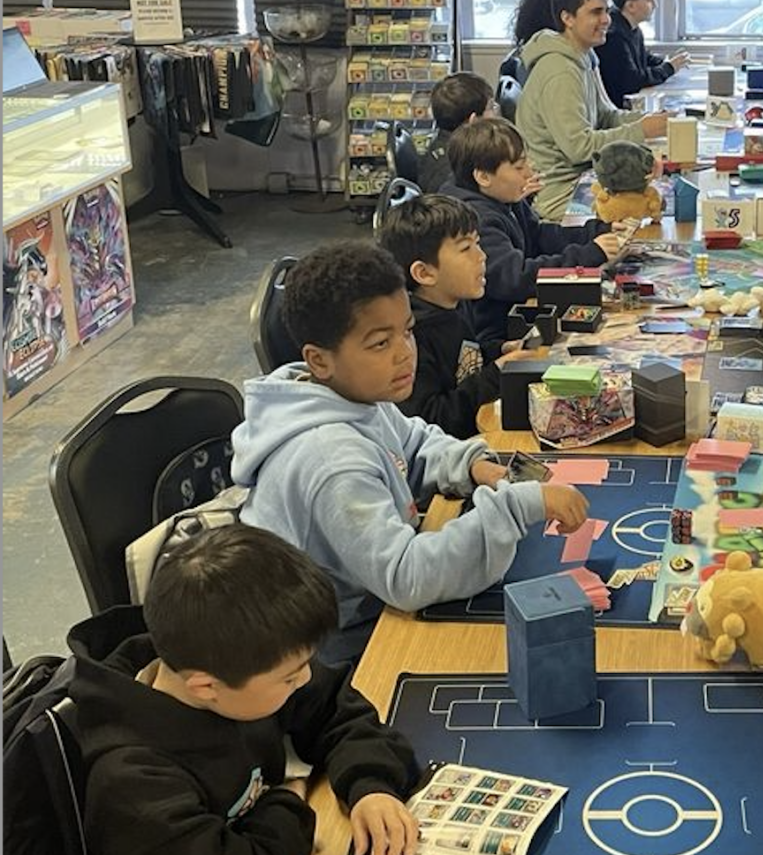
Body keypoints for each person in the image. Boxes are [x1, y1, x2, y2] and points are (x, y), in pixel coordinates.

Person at [231, 242, 590, 662]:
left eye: (407, 331)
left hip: (371, 602)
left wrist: (469, 464)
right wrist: (516, 507)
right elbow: (407, 577)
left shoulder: (353, 392)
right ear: (319, 359)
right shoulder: (331, 461)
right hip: (334, 651)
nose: (405, 353)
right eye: (380, 343)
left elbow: (413, 442)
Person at [68, 523, 423, 854]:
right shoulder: (134, 789)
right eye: (289, 677)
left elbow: (334, 708)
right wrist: (288, 799)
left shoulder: (233, 663)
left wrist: (370, 786)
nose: (304, 680)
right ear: (206, 687)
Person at [443, 117, 621, 346]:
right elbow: (516, 277)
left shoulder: (503, 196)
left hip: (523, 310)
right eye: (518, 167)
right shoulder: (476, 220)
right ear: (483, 177)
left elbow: (538, 235)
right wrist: (587, 255)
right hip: (501, 331)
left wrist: (594, 232)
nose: (529, 172)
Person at [378, 194, 534, 439]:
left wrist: (500, 350)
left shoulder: (453, 303)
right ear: (425, 273)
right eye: (465, 248)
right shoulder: (413, 335)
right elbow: (435, 419)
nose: (481, 256)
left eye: (478, 243)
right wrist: (495, 375)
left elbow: (466, 356)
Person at [515, 0, 669, 222]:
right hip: (563, 194)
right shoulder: (560, 72)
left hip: (588, 178)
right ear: (567, 18)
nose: (606, 19)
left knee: (659, 193)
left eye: (606, 11)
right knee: (655, 208)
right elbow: (579, 147)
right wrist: (640, 131)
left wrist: (648, 121)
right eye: (596, 12)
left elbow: (606, 116)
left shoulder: (582, 57)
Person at [595, 0, 690, 108]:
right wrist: (668, 68)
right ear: (631, 6)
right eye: (649, 1)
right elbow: (633, 80)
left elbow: (644, 58)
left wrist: (669, 62)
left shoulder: (632, 28)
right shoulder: (614, 36)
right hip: (616, 111)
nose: (655, 5)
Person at [418, 72, 496, 193]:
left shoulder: (446, 146)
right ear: (473, 121)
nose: (495, 114)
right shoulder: (458, 171)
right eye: (490, 107)